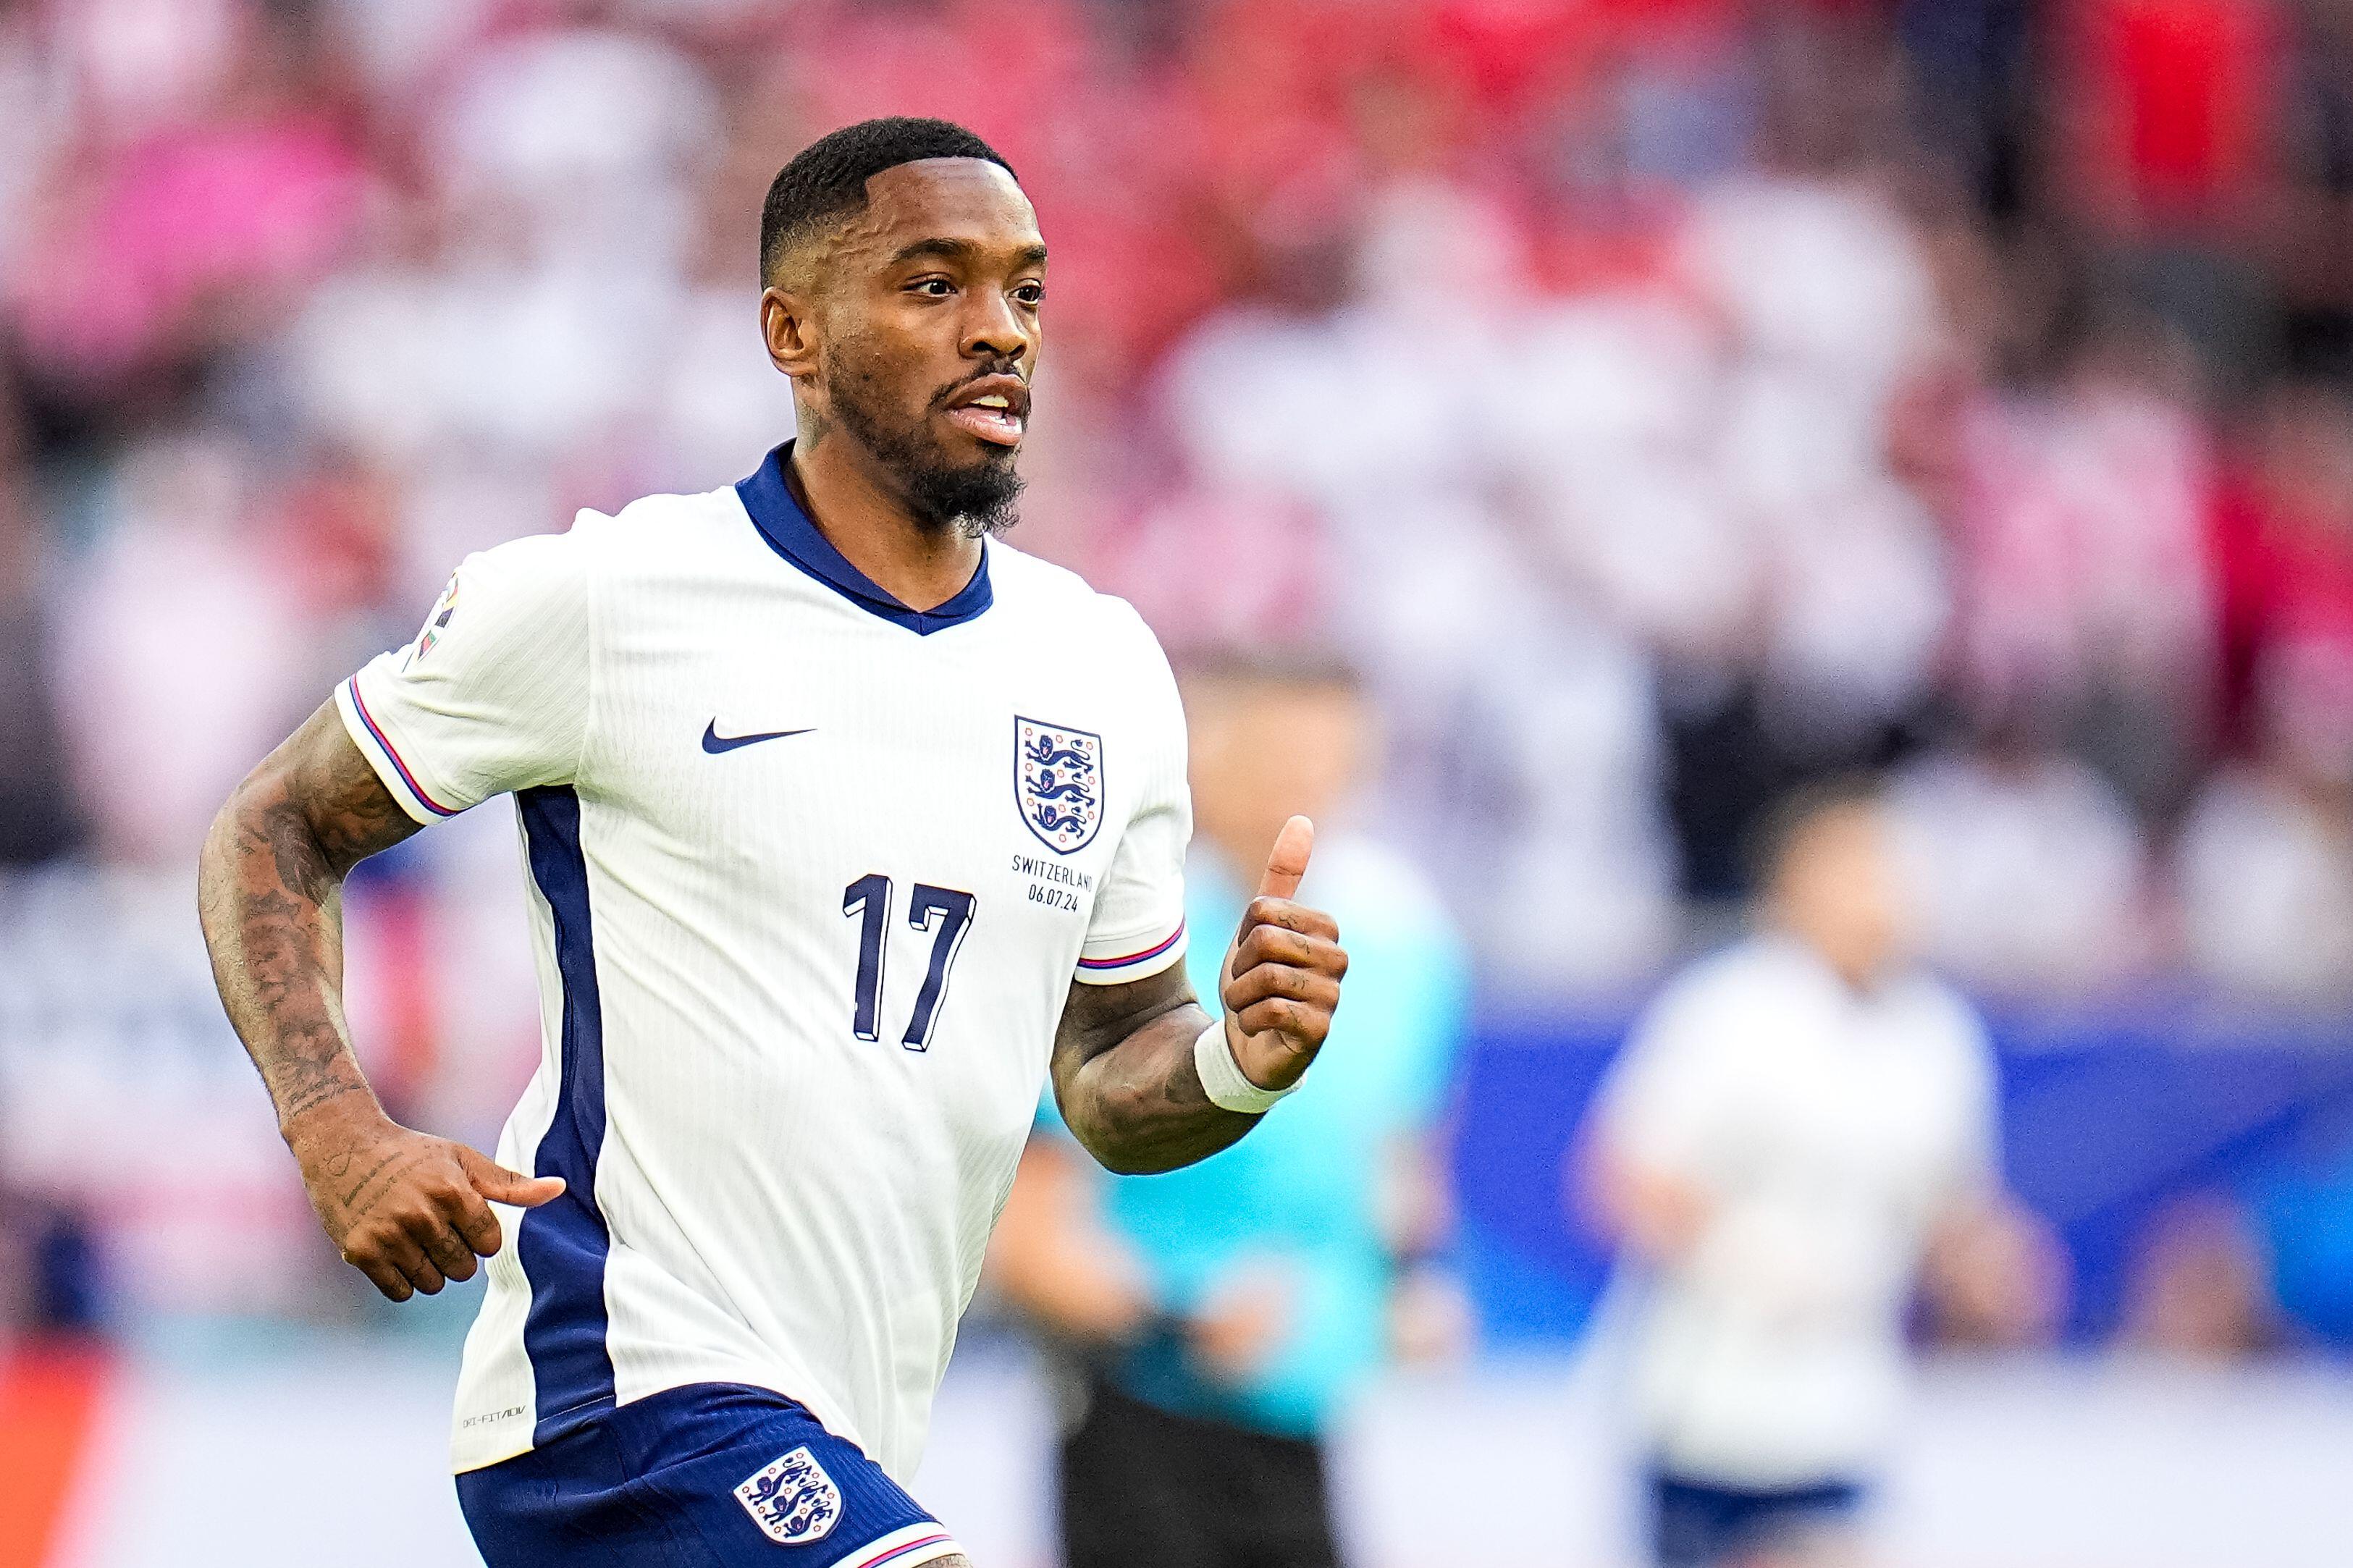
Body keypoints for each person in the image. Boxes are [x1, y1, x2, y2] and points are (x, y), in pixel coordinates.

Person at [195, 118, 1350, 1568]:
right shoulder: (613, 599)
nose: (997, 331)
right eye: (933, 285)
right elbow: (277, 823)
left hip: (850, 1422)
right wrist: (337, 1127)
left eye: (1025, 292)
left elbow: (1113, 1072)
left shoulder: (1098, 669)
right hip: (617, 1401)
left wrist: (1242, 1056)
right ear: (790, 333)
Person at [989, 654, 1470, 1568]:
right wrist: (1181, 1318)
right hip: (1142, 1412)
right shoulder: (1121, 931)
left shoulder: (1409, 943)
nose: (1308, 786)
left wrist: (1414, 1277)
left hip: (1306, 1407)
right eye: (1279, 756)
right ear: (1206, 758)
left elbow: (1402, 1156)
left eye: (1333, 759)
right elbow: (1031, 1232)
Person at [1579, 780, 2043, 1568]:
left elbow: (1952, 1210)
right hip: (1704, 1408)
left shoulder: (1937, 1035)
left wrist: (1990, 1268)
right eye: (1852, 871)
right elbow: (1620, 1176)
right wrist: (1736, 1255)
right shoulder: (1725, 1010)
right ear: (1790, 886)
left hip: (1843, 1409)